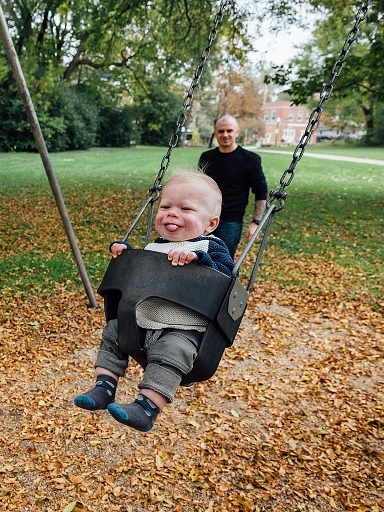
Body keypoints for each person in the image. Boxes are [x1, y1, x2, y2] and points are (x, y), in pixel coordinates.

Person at [74, 169, 234, 433]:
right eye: (166, 206)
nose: (172, 213)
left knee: (173, 350)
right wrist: (125, 254)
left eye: (185, 208)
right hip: (142, 321)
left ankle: (147, 408)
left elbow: (226, 273)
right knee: (113, 331)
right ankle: (104, 387)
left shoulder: (210, 247)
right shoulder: (154, 246)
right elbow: (140, 273)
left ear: (210, 224)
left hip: (183, 328)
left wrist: (200, 261)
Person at [198, 115, 268, 257]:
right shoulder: (206, 157)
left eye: (229, 131)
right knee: (198, 259)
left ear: (237, 132)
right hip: (205, 217)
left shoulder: (251, 159)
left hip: (231, 222)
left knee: (223, 261)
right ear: (215, 133)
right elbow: (198, 187)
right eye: (221, 131)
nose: (225, 135)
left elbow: (261, 191)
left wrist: (256, 222)